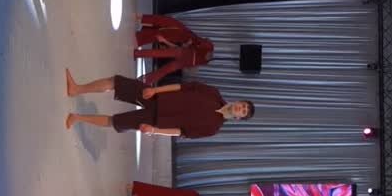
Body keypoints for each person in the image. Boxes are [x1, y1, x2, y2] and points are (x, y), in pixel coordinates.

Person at [64, 70, 254, 136]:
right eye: (243, 105)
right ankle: (77, 89)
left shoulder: (213, 128)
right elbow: (182, 87)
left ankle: (77, 118)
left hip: (156, 120)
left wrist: (155, 131)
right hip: (157, 97)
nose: (241, 108)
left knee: (116, 122)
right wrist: (155, 90)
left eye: (243, 111)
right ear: (239, 101)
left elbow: (181, 132)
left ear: (238, 118)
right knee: (117, 82)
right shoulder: (213, 93)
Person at [133, 14, 214, 86]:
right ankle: (145, 79)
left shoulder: (203, 43)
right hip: (185, 59)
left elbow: (184, 45)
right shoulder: (202, 57)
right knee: (164, 69)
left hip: (183, 52)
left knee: (161, 54)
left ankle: (138, 54)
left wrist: (166, 41)